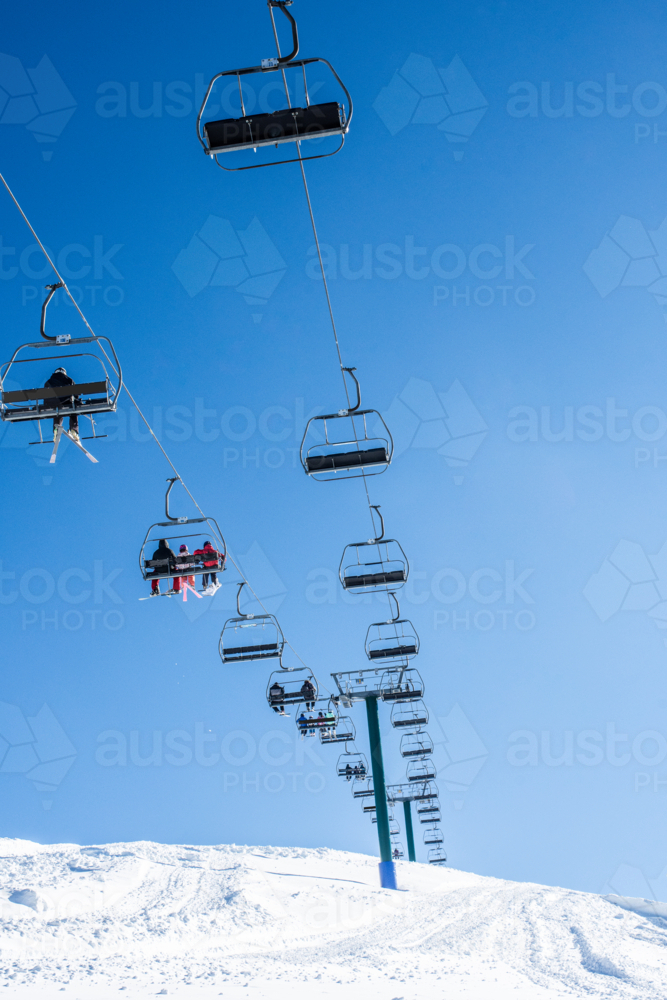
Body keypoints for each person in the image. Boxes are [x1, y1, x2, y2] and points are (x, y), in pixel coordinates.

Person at [44, 367, 80, 441]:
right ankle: (74, 429)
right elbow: (76, 393)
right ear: (64, 372)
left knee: (57, 412)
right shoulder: (69, 380)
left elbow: (45, 394)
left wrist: (46, 404)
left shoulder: (49, 381)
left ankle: (56, 428)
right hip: (66, 402)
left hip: (52, 403)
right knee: (73, 410)